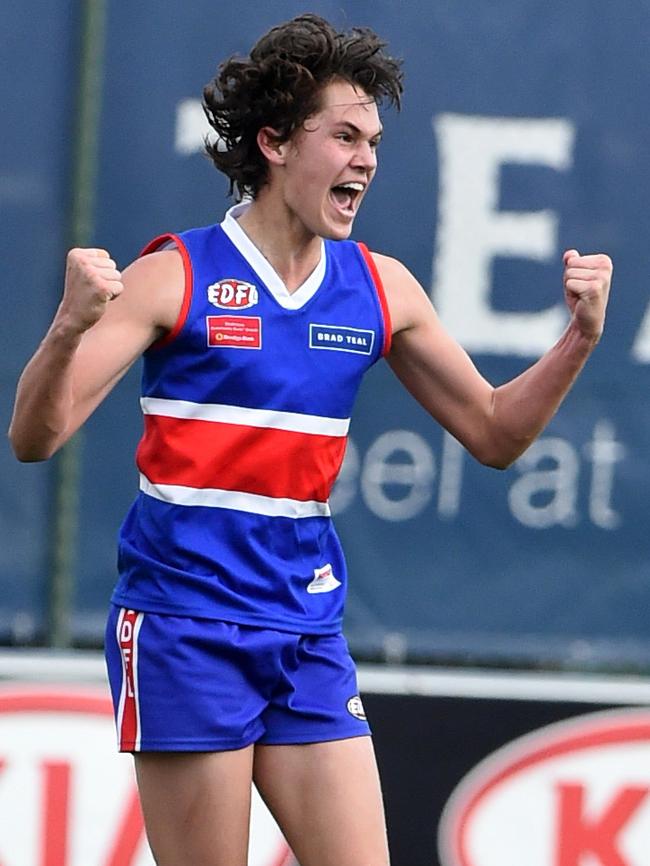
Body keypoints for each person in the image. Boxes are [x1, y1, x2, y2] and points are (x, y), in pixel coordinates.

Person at [9, 13, 612, 866]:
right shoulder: (176, 274)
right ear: (275, 143)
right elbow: (37, 436)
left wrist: (578, 339)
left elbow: (495, 433)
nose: (366, 157)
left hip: (305, 628)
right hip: (188, 625)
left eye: (372, 139)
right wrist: (69, 328)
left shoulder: (379, 288)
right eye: (344, 135)